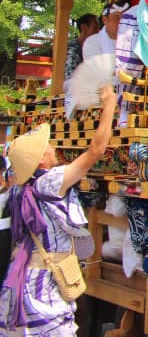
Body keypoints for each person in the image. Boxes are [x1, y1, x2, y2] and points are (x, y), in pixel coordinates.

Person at [0, 84, 116, 335]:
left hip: (24, 276)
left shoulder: (21, 186)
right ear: (41, 159)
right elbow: (96, 151)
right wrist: (109, 107)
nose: (53, 147)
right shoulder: (49, 182)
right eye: (49, 146)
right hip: (44, 284)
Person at [64, 13, 99, 82]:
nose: (98, 32)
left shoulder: (93, 49)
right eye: (95, 28)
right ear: (83, 28)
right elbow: (70, 78)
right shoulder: (71, 49)